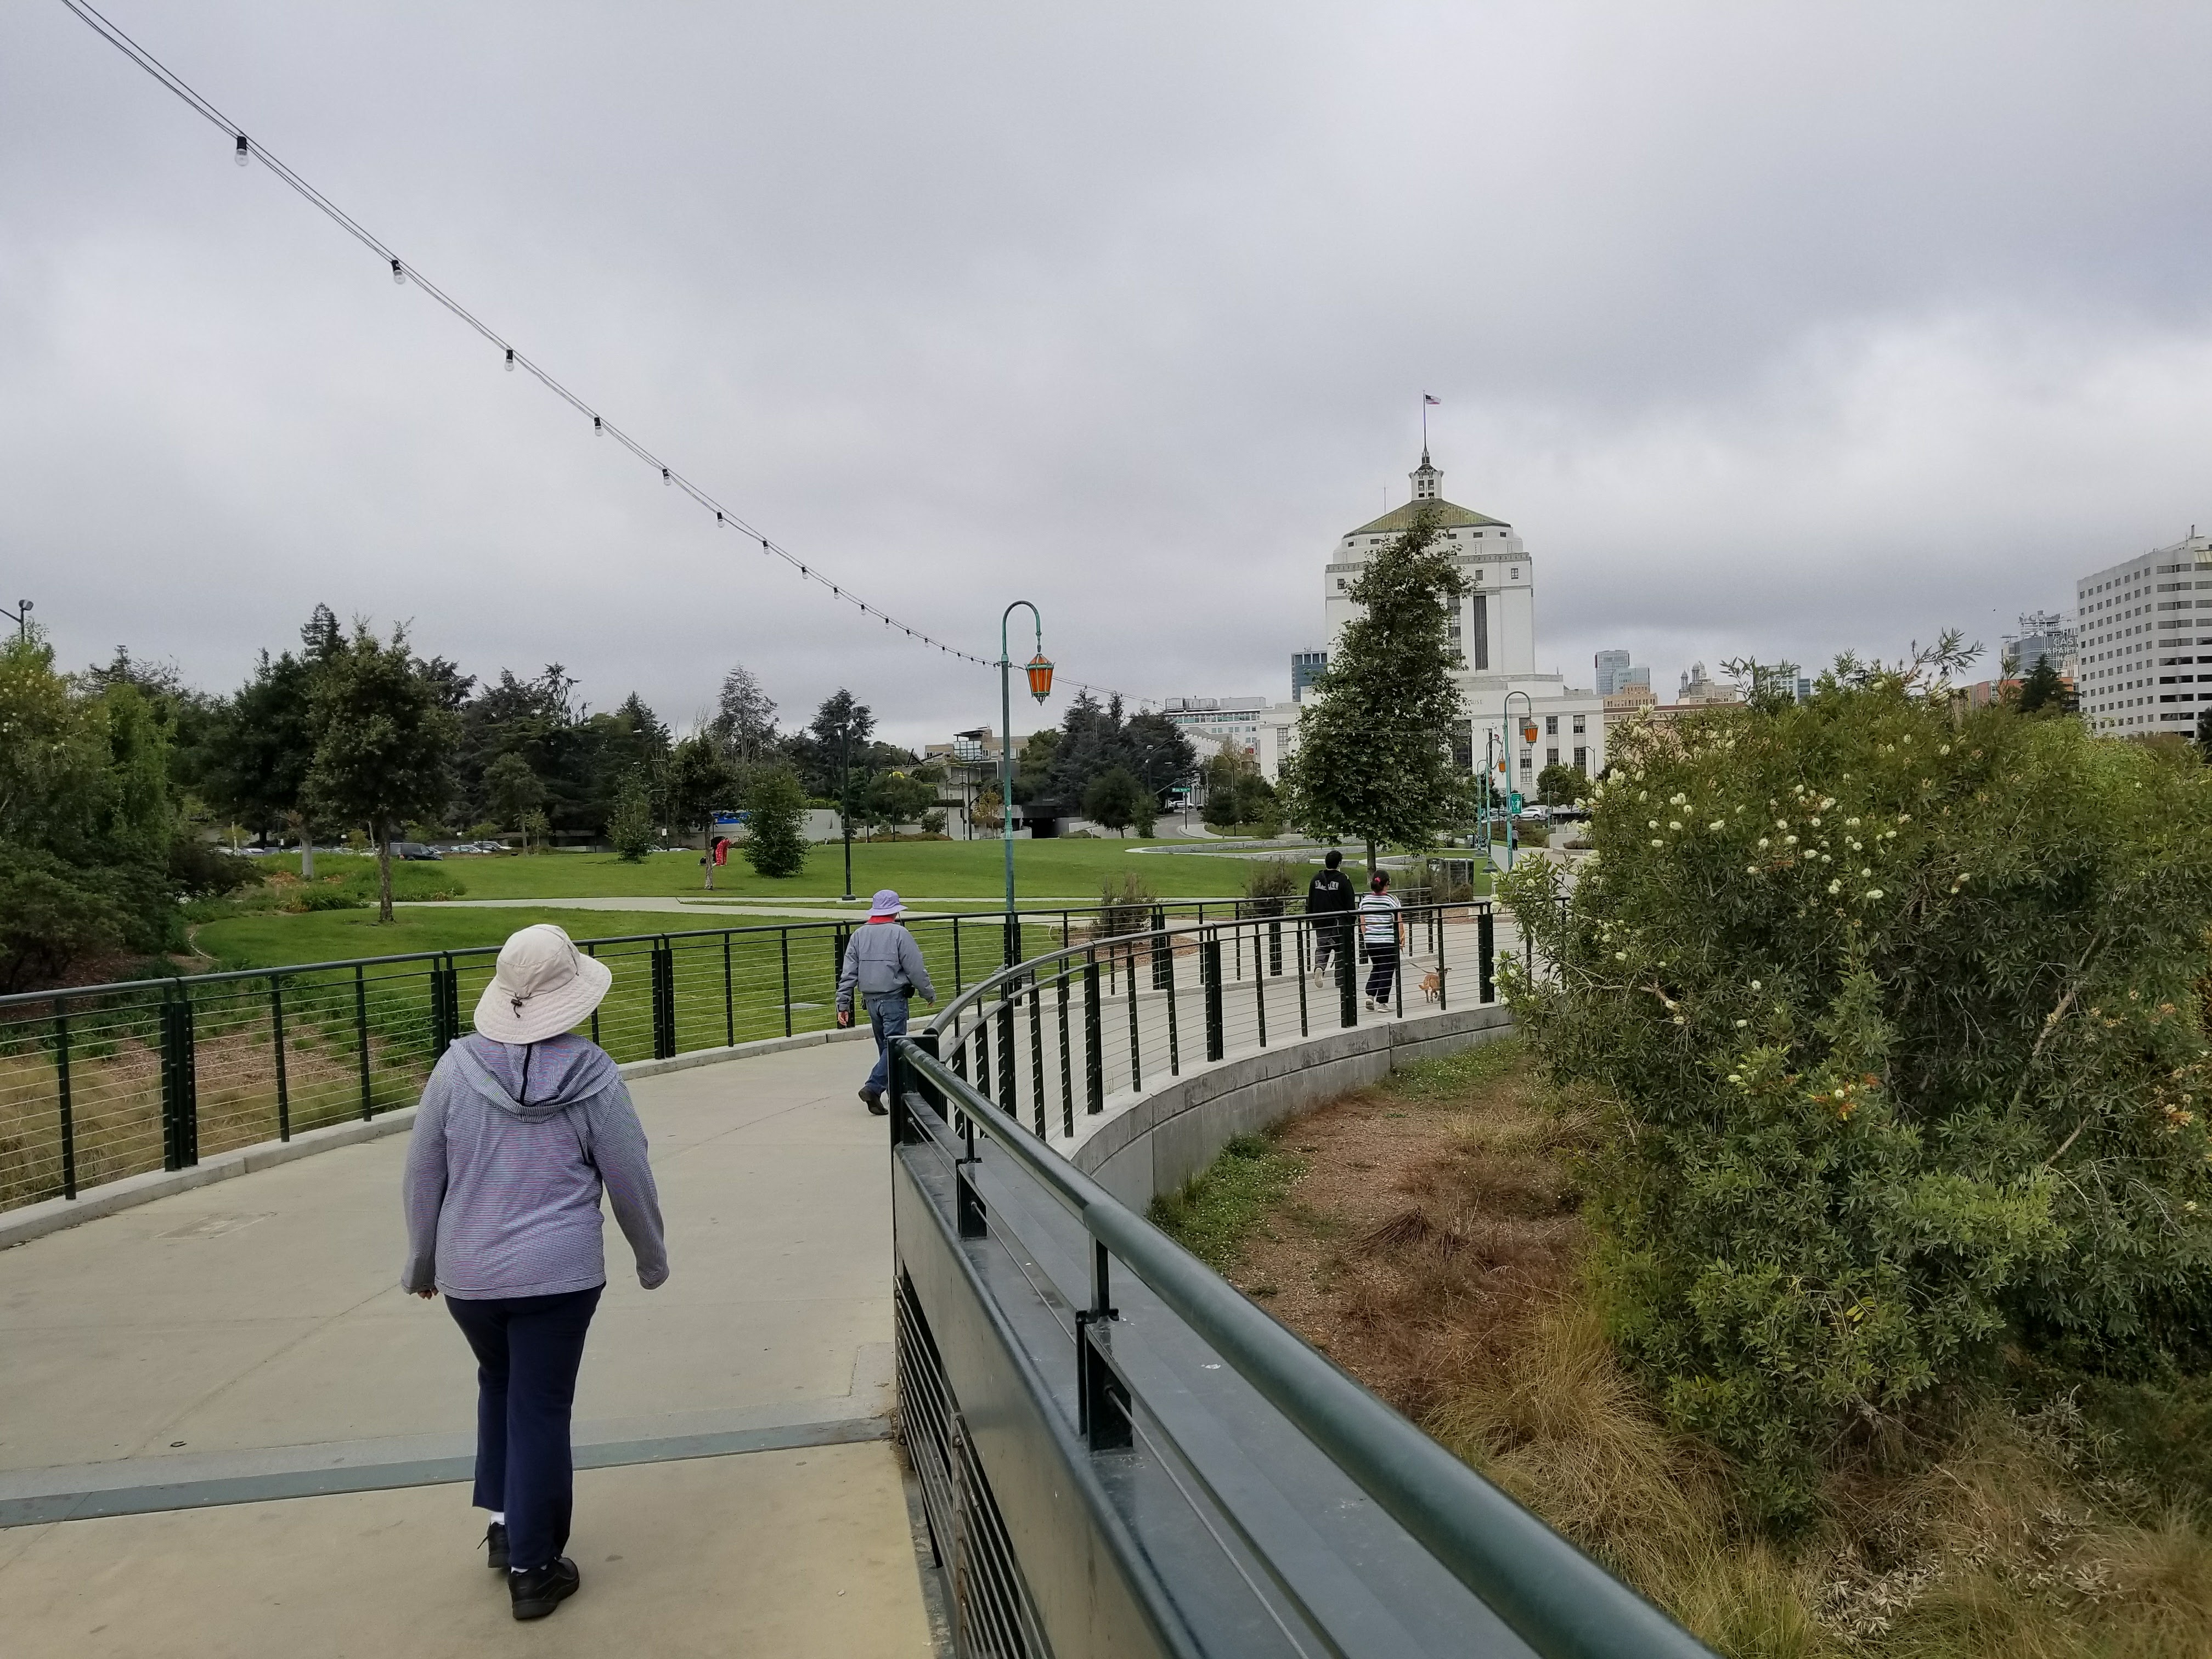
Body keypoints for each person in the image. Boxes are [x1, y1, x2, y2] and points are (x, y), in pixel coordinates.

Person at [400, 923, 668, 1622]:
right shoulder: (595, 1075)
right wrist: (650, 1257)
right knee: (541, 1408)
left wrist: (422, 1260)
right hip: (560, 1279)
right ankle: (534, 1566)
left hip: (471, 1278)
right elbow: (629, 1176)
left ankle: (505, 1525)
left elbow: (424, 1170)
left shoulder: (455, 1069)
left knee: (501, 1384)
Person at [837, 889, 936, 1114]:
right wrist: (928, 994)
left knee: (885, 1047)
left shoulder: (858, 936)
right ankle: (873, 1088)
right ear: (895, 912)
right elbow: (916, 969)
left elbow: (848, 974)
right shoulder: (900, 934)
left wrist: (843, 1004)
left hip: (870, 1002)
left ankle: (891, 1095)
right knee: (895, 1048)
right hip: (894, 1000)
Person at [1304, 849, 1357, 985]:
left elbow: (1311, 900)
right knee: (1341, 950)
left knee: (1322, 947)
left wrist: (1311, 918)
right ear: (1339, 863)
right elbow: (1350, 902)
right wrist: (1352, 920)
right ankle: (1340, 980)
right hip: (1339, 923)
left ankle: (1319, 968)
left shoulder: (1316, 879)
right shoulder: (1343, 880)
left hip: (1320, 922)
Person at [1357, 870, 1404, 1011]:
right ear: (1387, 884)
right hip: (1388, 940)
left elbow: (1362, 923)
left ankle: (1370, 994)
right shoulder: (1391, 900)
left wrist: (1367, 936)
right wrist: (1402, 938)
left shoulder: (1365, 900)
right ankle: (1382, 1002)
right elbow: (1398, 921)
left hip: (1371, 941)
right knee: (1387, 970)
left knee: (1377, 966)